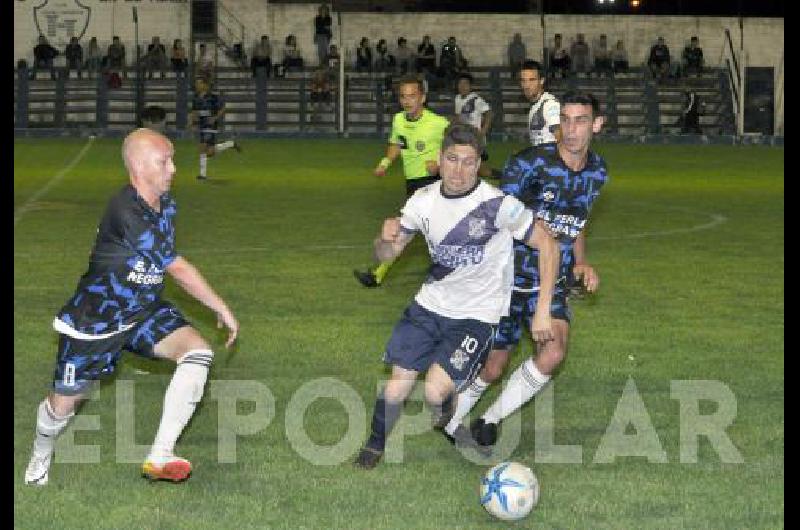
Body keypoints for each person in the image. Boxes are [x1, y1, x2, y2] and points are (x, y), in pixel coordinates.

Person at [23, 128, 240, 486]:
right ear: (139, 165)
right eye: (164, 161)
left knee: (198, 354)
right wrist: (221, 307)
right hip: (96, 321)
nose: (173, 169)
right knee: (62, 407)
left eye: (172, 160)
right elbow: (178, 268)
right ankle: (40, 453)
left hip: (143, 312)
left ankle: (160, 455)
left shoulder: (167, 205)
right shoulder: (125, 210)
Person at [353, 123, 561, 469]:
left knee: (435, 392)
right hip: (429, 305)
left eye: (468, 162)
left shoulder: (498, 205)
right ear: (439, 159)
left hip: (476, 316)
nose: (459, 171)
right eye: (451, 160)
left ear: (478, 163)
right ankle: (374, 446)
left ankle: (446, 414)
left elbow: (549, 246)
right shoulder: (422, 201)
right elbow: (387, 256)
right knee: (397, 385)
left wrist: (542, 309)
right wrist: (384, 239)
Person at [445, 92, 609, 451]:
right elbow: (498, 219)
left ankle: (489, 420)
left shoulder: (598, 171)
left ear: (596, 125)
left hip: (549, 281)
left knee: (553, 351)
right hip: (506, 280)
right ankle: (452, 420)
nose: (571, 129)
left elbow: (577, 222)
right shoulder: (529, 166)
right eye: (565, 119)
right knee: (492, 368)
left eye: (580, 120)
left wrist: (580, 261)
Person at [353, 75, 450, 288]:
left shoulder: (438, 123)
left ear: (422, 98)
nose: (407, 101)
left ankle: (377, 275)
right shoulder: (398, 120)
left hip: (433, 183)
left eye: (412, 96)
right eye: (403, 97)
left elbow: (457, 147)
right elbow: (397, 143)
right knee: (427, 230)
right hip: (412, 184)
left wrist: (440, 164)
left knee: (406, 228)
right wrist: (385, 163)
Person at [190, 78, 242, 181]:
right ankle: (230, 144)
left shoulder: (213, 97)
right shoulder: (196, 98)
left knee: (203, 148)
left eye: (199, 83)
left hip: (210, 127)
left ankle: (202, 175)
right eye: (196, 84)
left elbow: (222, 108)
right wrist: (192, 121)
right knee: (210, 152)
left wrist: (214, 118)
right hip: (202, 126)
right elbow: (195, 111)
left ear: (205, 85)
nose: (197, 86)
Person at [453, 73, 493, 178]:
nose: (462, 86)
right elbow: (458, 116)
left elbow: (489, 113)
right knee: (472, 166)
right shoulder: (457, 98)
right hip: (463, 137)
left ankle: (500, 175)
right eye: (460, 84)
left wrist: (483, 130)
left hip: (474, 138)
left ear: (471, 86)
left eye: (465, 84)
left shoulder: (476, 99)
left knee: (476, 168)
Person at [519, 60, 560, 147]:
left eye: (532, 80)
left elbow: (561, 138)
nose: (527, 85)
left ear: (541, 81)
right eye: (523, 81)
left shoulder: (549, 104)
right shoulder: (535, 106)